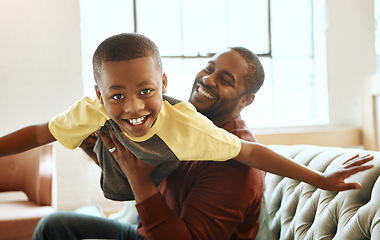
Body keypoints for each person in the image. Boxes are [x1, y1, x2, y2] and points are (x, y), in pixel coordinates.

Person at [0, 33, 374, 202]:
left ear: (163, 83)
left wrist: (320, 179)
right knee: (56, 219)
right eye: (117, 95)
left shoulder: (188, 126)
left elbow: (250, 153)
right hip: (116, 181)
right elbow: (37, 134)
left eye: (146, 91)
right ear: (99, 95)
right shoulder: (93, 110)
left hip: (146, 187)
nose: (133, 107)